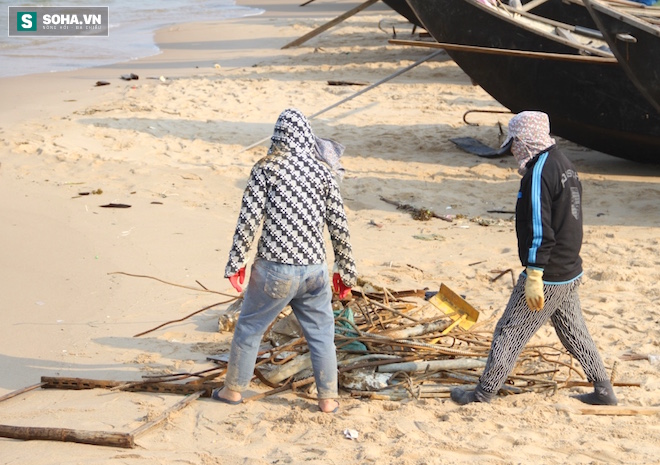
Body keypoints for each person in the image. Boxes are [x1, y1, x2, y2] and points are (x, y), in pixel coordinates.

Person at [451, 111, 618, 406]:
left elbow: (540, 228)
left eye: (514, 143)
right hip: (568, 267)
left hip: (550, 271)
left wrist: (535, 273)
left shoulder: (540, 172)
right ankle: (604, 390)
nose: (513, 150)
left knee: (510, 330)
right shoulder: (563, 163)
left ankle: (483, 393)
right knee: (573, 331)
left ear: (525, 140)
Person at [212, 108, 357, 413]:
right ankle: (328, 399)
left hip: (273, 270)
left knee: (250, 329)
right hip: (315, 272)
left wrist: (236, 263)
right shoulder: (323, 172)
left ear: (277, 136)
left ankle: (233, 392)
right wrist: (345, 271)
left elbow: (248, 221)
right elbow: (339, 226)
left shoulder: (266, 169)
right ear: (306, 135)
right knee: (322, 336)